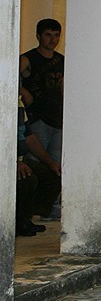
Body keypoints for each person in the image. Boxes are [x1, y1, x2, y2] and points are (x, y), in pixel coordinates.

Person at [19, 18, 64, 220]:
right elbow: (8, 77)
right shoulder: (27, 59)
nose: (52, 39)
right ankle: (29, 211)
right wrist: (22, 90)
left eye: (56, 35)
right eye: (48, 34)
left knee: (56, 166)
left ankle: (50, 209)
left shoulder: (62, 60)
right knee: (34, 164)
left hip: (59, 119)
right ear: (38, 36)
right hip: (36, 120)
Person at [15, 99, 59, 238]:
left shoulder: (19, 105)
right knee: (27, 179)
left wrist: (50, 162)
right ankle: (18, 222)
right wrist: (13, 162)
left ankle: (26, 218)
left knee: (52, 175)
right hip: (8, 161)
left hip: (21, 159)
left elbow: (29, 137)